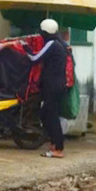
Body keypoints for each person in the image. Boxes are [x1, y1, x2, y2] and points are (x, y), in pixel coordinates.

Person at [18, 18, 70, 158]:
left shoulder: (52, 44)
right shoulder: (60, 44)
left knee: (51, 116)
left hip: (52, 86)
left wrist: (25, 47)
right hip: (57, 85)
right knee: (47, 114)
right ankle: (54, 144)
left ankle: (58, 148)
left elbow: (35, 58)